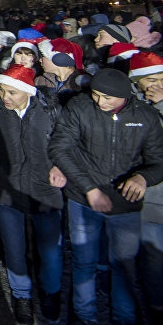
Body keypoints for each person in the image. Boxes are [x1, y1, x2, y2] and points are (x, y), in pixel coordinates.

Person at [48, 67, 163, 325]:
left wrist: (142, 177)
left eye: (107, 97)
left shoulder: (146, 117)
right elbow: (60, 147)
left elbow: (159, 161)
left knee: (123, 267)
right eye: (96, 95)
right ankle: (84, 316)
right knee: (84, 262)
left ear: (124, 96)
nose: (100, 102)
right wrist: (90, 189)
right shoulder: (80, 107)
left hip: (125, 205)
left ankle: (124, 318)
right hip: (83, 199)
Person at [0, 64, 64, 324]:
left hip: (44, 190)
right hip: (7, 190)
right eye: (3, 91)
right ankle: (21, 295)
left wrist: (60, 165)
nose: (5, 97)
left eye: (12, 93)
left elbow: (65, 142)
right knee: (14, 249)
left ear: (28, 92)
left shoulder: (49, 110)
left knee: (50, 251)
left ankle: (51, 292)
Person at [129, 51, 163, 322]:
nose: (157, 86)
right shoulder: (132, 108)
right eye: (150, 80)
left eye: (162, 79)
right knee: (154, 259)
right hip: (151, 200)